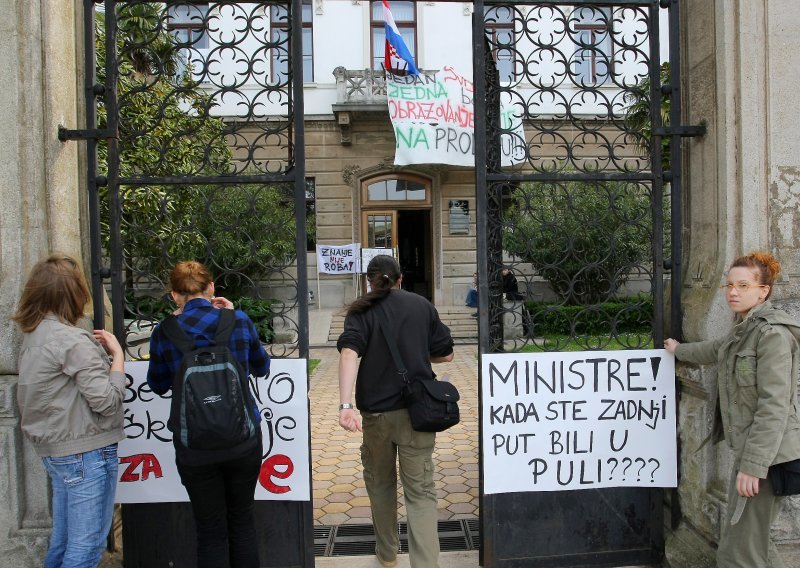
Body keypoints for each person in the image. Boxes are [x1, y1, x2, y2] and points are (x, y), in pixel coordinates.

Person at [665, 252, 800, 568]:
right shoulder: (744, 329)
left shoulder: (772, 335)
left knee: (738, 553)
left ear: (763, 291)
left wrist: (753, 467)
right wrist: (677, 350)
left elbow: (774, 407)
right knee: (756, 545)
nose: (732, 292)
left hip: (769, 457)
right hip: (755, 453)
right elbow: (714, 350)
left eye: (743, 285)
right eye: (729, 285)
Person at [146, 261, 269, 568]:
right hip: (243, 439)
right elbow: (262, 367)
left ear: (175, 295)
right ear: (211, 287)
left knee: (210, 530)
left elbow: (158, 384)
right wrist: (231, 314)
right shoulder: (238, 320)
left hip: (194, 446)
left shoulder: (166, 331)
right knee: (242, 522)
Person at [337, 255, 454, 568]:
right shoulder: (422, 306)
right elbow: (447, 355)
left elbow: (349, 352)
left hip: (376, 416)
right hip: (418, 413)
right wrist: (416, 353)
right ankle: (426, 564)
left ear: (369, 281)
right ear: (400, 279)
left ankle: (387, 555)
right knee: (421, 492)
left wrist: (345, 405)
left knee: (381, 485)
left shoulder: (361, 309)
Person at [13, 254, 126, 568]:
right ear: (75, 294)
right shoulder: (71, 340)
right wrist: (117, 356)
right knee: (86, 549)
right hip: (86, 451)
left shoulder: (35, 335)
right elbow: (106, 400)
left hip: (58, 451)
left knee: (63, 545)